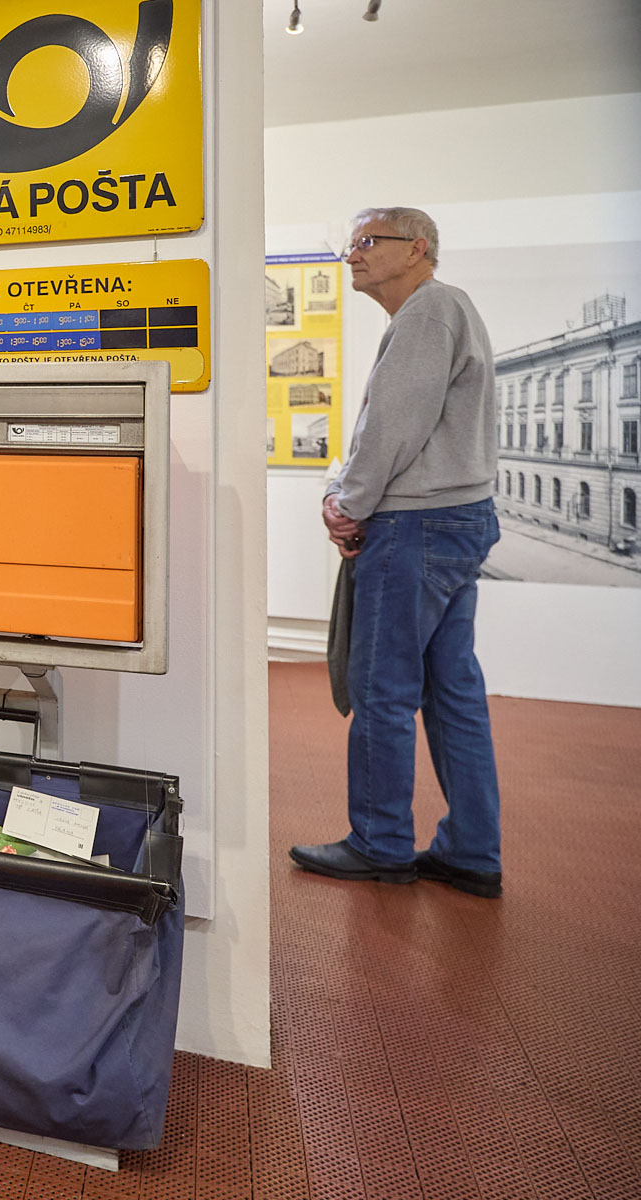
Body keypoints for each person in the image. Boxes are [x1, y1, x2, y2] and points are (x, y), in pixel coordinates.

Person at [289, 206, 504, 899]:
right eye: (350, 244)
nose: (351, 255)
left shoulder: (427, 313)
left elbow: (392, 427)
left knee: (383, 691)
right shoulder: (444, 310)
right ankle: (472, 850)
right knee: (453, 692)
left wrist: (347, 503)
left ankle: (380, 843)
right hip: (458, 520)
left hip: (415, 526)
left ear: (416, 249)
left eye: (366, 242)